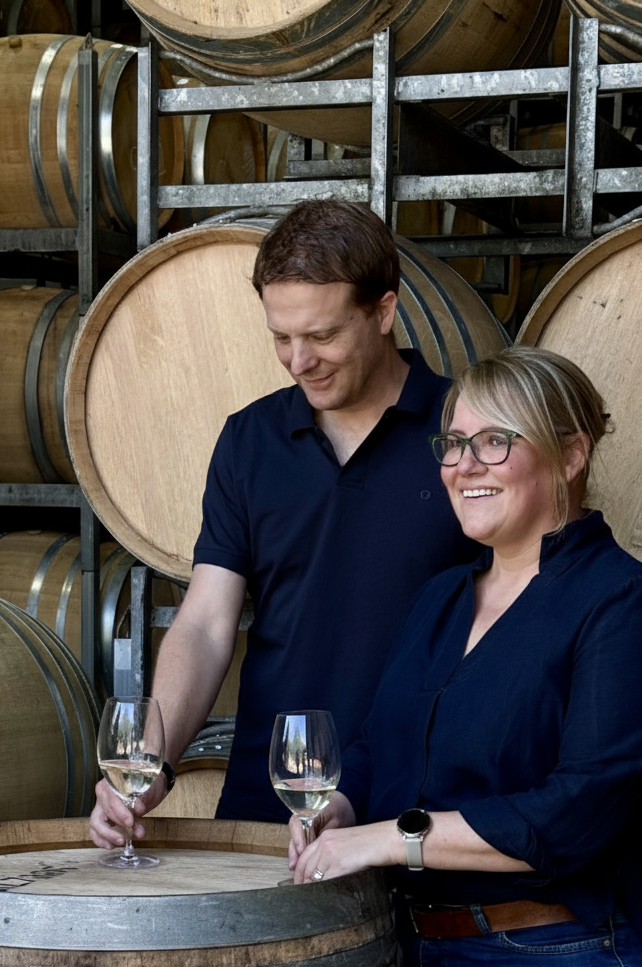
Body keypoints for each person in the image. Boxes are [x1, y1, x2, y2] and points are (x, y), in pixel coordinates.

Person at [289, 346, 642, 967]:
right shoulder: (444, 596)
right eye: (454, 443)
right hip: (412, 962)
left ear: (568, 454)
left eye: (497, 440)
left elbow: (576, 814)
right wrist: (338, 806)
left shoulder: (619, 603)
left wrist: (386, 838)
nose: (465, 463)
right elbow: (373, 746)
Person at [90, 199, 477, 850]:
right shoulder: (250, 440)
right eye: (280, 336)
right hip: (270, 801)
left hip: (420, 811)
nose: (299, 361)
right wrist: (152, 760)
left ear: (383, 311)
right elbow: (208, 622)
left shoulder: (464, 435)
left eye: (322, 335)